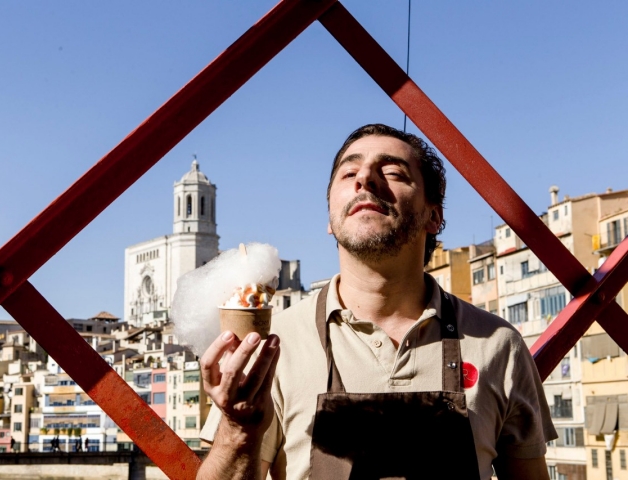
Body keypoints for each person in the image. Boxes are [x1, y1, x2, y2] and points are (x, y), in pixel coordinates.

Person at [197, 124, 557, 480]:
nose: (365, 178)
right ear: (330, 219)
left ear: (434, 215)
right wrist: (237, 430)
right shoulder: (276, 345)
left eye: (392, 171)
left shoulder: (499, 345)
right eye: (349, 171)